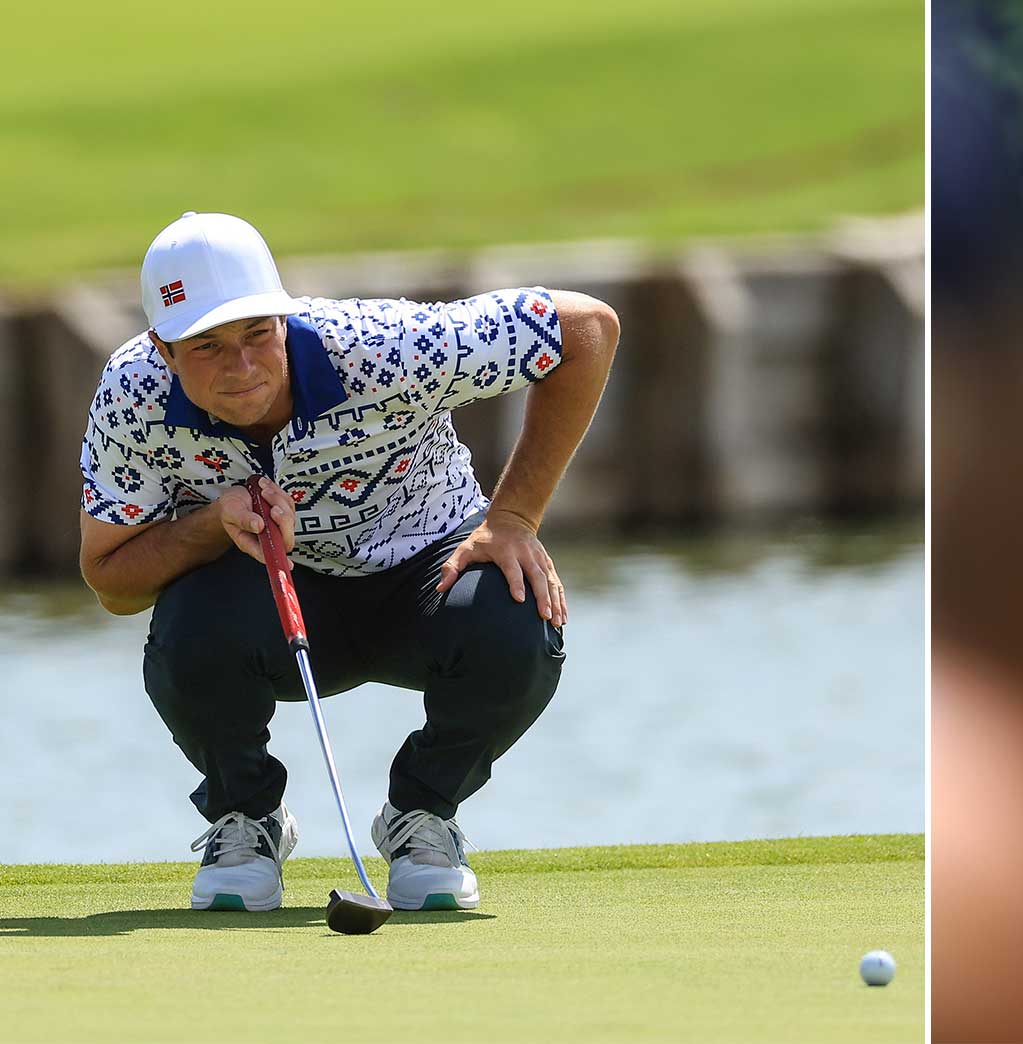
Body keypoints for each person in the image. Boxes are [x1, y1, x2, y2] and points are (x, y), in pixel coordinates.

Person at [77, 211, 620, 913]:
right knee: (188, 624)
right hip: (273, 601)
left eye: (256, 334)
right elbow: (113, 584)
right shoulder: (132, 396)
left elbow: (587, 330)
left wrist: (512, 517)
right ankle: (247, 822)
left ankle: (421, 816)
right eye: (206, 346)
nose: (241, 368)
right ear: (163, 347)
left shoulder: (383, 347)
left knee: (517, 609)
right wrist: (212, 524)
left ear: (283, 314)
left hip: (429, 574)